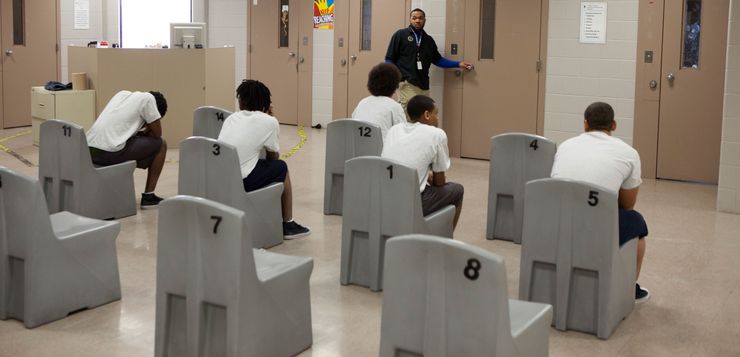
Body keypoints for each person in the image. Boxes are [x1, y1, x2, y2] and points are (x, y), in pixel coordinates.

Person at [550, 102, 650, 303]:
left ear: (585, 124)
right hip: (595, 226)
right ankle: (627, 288)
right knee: (636, 221)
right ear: (614, 125)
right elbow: (628, 205)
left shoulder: (565, 145)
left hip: (555, 221)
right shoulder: (629, 153)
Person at [218, 79, 310, 239]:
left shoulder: (231, 118)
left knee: (258, 163)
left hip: (221, 178)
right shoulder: (269, 121)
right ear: (266, 103)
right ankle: (288, 223)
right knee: (281, 167)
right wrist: (271, 119)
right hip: (242, 181)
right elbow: (273, 157)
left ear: (241, 101)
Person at [381, 95, 464, 228]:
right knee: (457, 190)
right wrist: (432, 178)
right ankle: (445, 239)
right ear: (426, 114)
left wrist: (424, 177)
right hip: (411, 202)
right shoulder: (437, 134)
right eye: (436, 113)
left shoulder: (394, 130)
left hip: (383, 196)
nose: (437, 118)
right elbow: (440, 182)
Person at [86, 90, 168, 209]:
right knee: (161, 144)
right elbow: (157, 134)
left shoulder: (121, 94)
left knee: (139, 144)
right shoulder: (148, 99)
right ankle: (148, 197)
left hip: (89, 150)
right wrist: (149, 127)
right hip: (109, 152)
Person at [385, 8, 474, 112]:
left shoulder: (428, 40)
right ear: (410, 20)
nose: (417, 20)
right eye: (414, 18)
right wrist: (392, 80)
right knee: (409, 115)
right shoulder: (400, 35)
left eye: (420, 18)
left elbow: (438, 60)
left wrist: (458, 64)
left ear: (425, 20)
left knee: (422, 115)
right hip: (407, 83)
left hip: (424, 85)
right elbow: (389, 59)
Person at [351, 63, 406, 139]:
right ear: (394, 86)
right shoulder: (394, 107)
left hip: (358, 149)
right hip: (383, 149)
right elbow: (402, 135)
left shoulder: (362, 103)